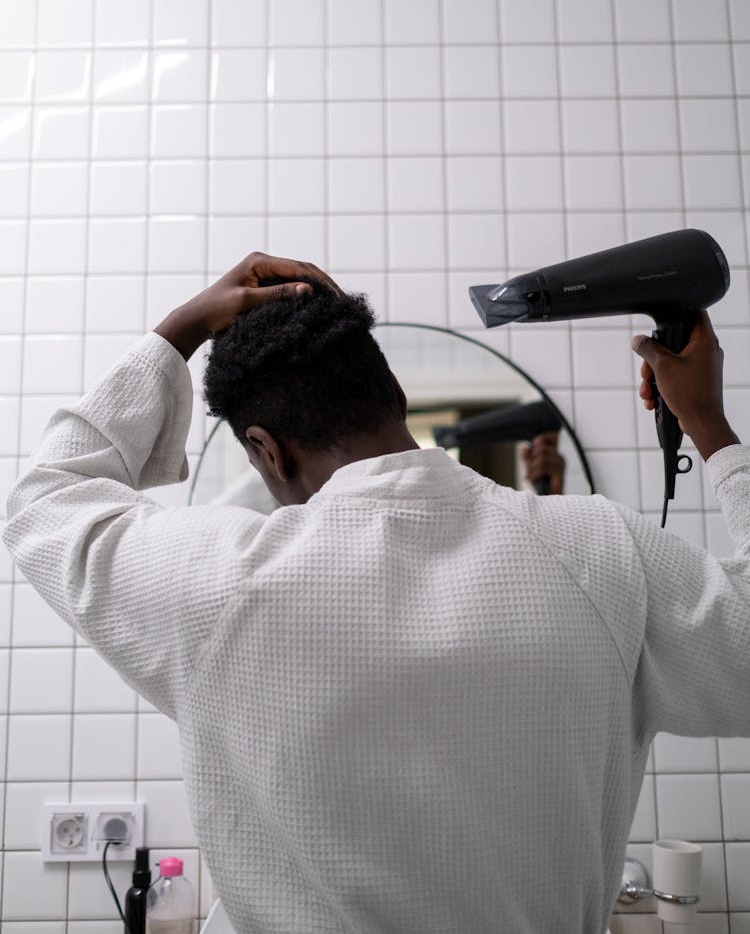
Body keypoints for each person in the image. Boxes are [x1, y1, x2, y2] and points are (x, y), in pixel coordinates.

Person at [4, 251, 749, 934]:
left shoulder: (216, 581)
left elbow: (44, 494)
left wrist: (181, 327)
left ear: (266, 448)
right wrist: (709, 425)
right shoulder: (601, 551)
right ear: (395, 390)